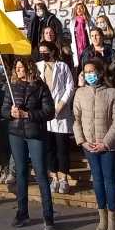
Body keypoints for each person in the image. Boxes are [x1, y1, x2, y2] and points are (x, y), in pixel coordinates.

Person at [73, 58, 115, 230]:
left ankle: (113, 218)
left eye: (92, 71)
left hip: (108, 147)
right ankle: (102, 216)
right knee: (97, 181)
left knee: (110, 181)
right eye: (86, 72)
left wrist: (106, 142)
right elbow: (76, 120)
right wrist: (82, 141)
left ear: (100, 73)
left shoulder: (113, 93)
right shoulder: (80, 93)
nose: (89, 75)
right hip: (89, 146)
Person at [1, 57, 56, 230]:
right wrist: (10, 113)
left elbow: (49, 112)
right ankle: (22, 212)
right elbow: (3, 109)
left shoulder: (40, 87)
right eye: (16, 68)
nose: (18, 71)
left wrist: (28, 115)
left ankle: (48, 215)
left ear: (29, 68)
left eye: (21, 68)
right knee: (21, 173)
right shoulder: (11, 87)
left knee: (40, 173)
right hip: (16, 134)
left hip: (35, 134)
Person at [37, 41, 76, 194]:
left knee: (62, 148)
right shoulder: (38, 66)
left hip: (61, 112)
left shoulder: (62, 66)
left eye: (45, 51)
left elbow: (69, 86)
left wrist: (62, 103)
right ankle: (54, 177)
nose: (43, 53)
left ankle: (63, 178)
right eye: (40, 51)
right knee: (49, 149)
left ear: (52, 51)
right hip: (44, 113)